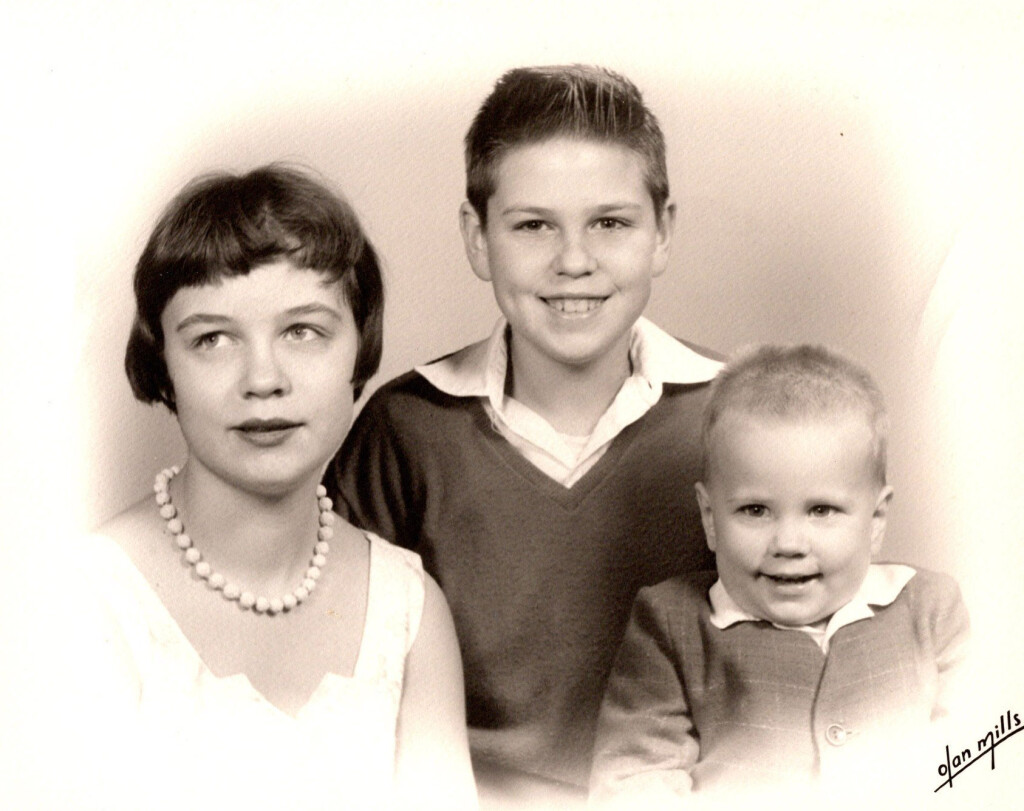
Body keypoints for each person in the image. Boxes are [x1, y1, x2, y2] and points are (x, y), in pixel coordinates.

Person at [11, 166, 476, 810]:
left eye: (303, 331)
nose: (263, 379)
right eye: (212, 338)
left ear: (358, 353)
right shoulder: (83, 603)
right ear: (162, 365)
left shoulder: (409, 610)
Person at [327, 65, 722, 807]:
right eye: (533, 225)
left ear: (663, 232)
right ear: (478, 238)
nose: (574, 261)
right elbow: (346, 685)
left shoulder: (734, 416)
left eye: (610, 221)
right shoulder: (406, 428)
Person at [589, 344, 971, 805]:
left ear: (876, 519)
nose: (788, 543)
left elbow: (980, 756)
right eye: (755, 510)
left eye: (822, 510)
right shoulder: (673, 624)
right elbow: (635, 779)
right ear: (710, 517)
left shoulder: (929, 610)